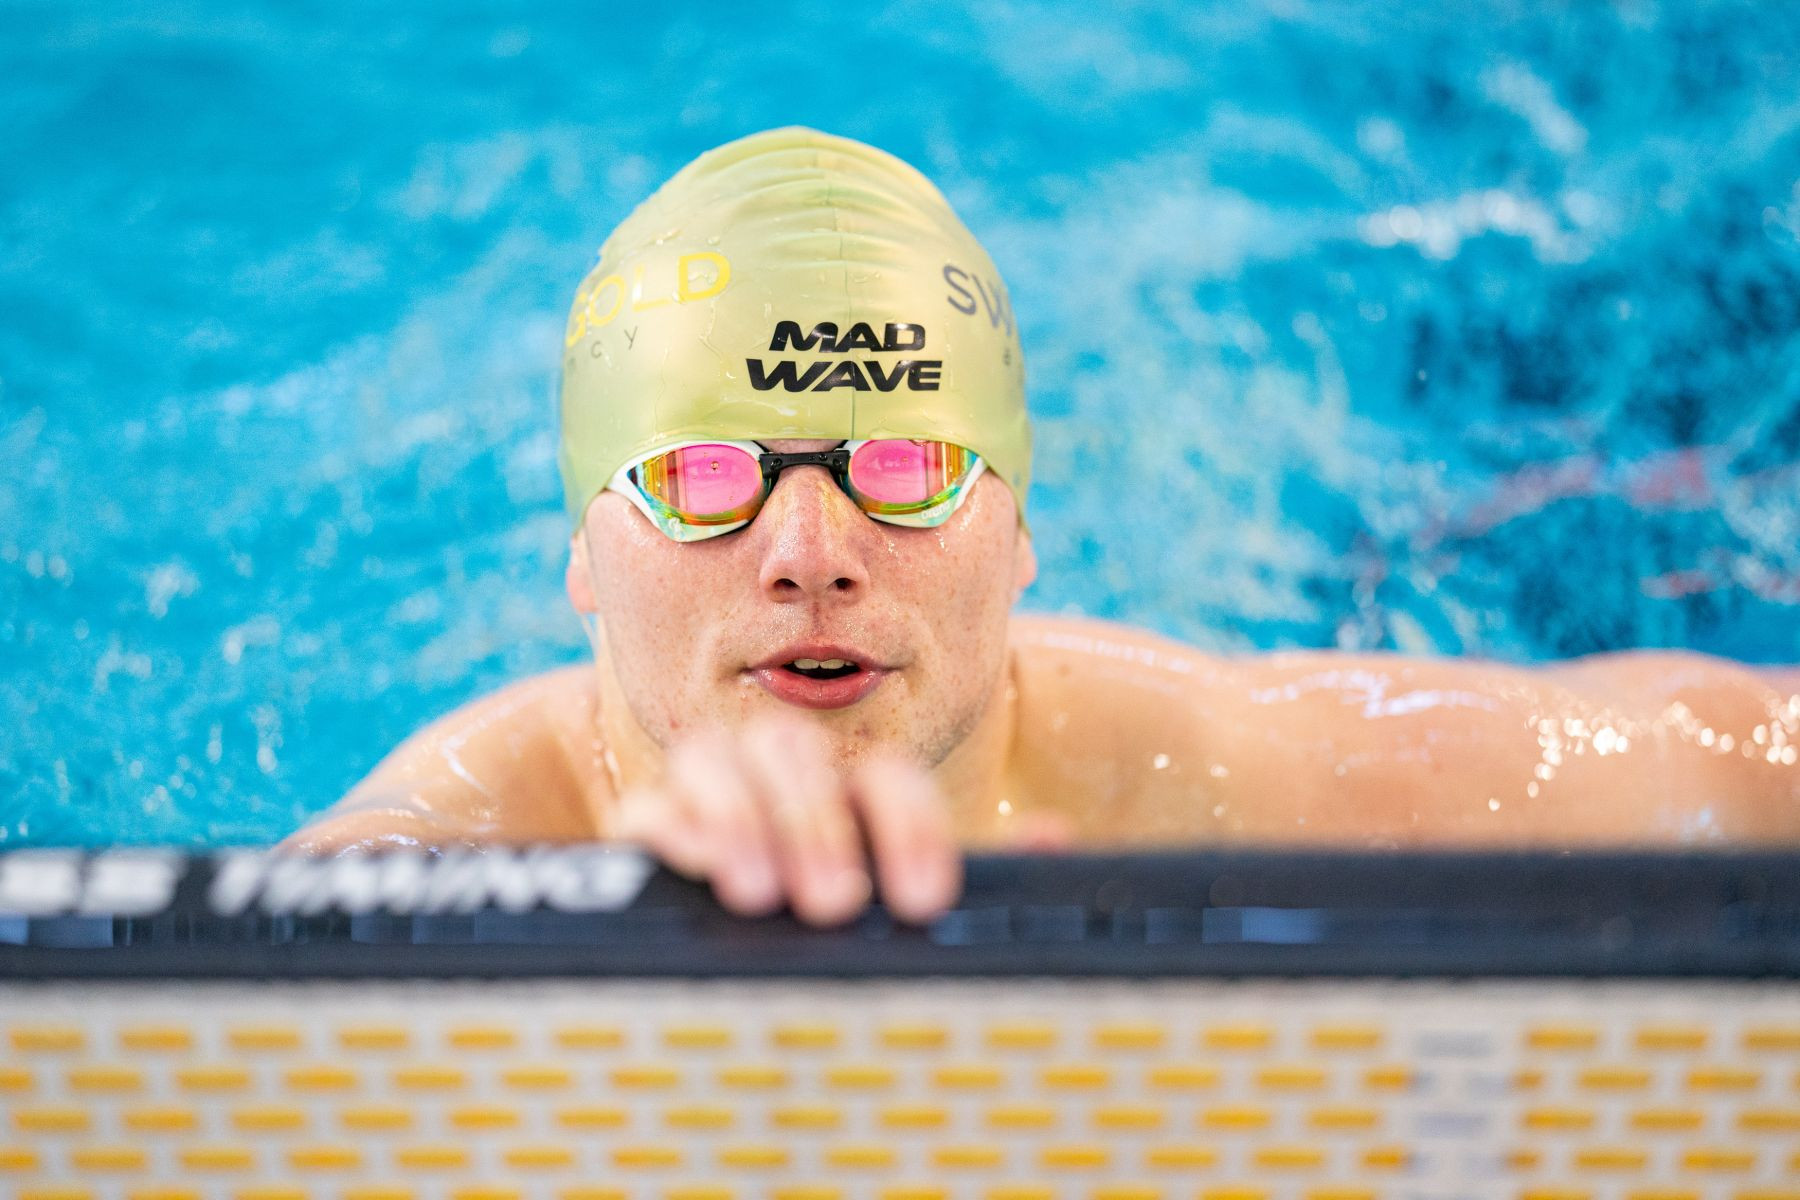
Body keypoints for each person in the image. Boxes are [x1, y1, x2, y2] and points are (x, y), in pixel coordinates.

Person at [285, 127, 1800, 925]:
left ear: (1018, 531)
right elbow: (260, 972)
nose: (808, 552)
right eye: (700, 477)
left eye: (904, 466)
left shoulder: (1217, 774)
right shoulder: (471, 830)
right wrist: (605, 914)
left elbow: (1734, 760)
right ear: (578, 552)